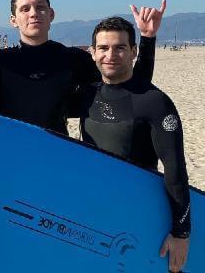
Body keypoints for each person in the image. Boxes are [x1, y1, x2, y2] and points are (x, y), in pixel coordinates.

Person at [79, 16, 191, 273]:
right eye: (104, 48)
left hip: (141, 212)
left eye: (120, 48)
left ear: (133, 52)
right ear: (93, 53)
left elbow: (175, 170)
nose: (111, 55)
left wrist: (181, 233)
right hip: (94, 210)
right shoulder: (86, 95)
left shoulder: (156, 103)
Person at [0, 0, 161, 134]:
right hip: (10, 154)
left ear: (51, 14)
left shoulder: (72, 59)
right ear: (13, 20)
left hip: (58, 154)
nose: (33, 13)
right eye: (25, 9)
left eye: (40, 7)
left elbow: (133, 86)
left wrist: (148, 37)